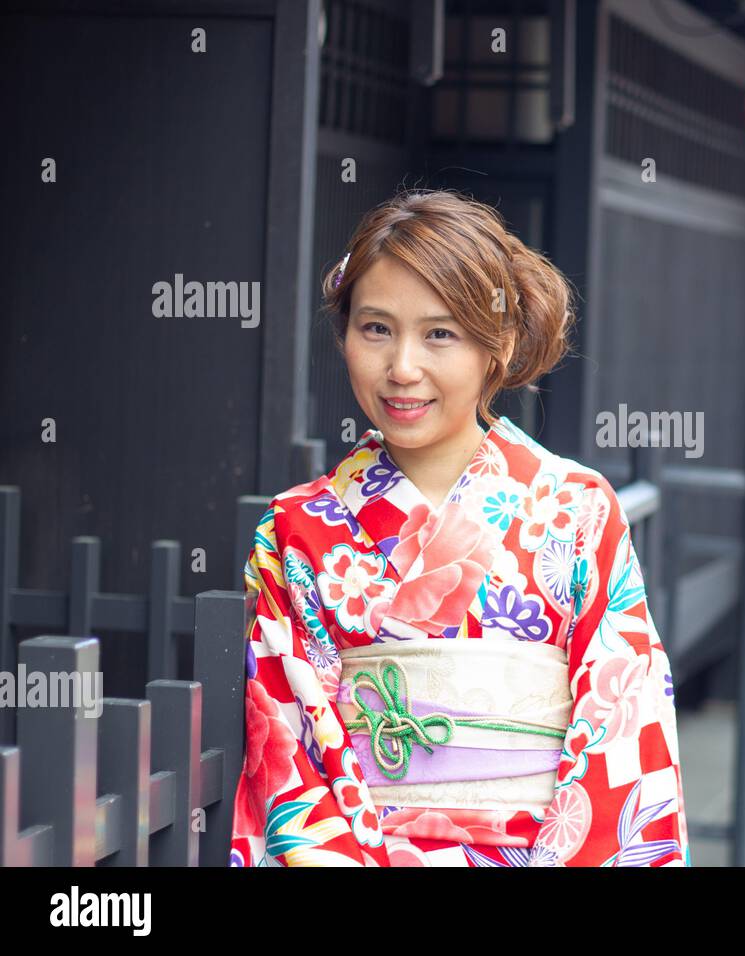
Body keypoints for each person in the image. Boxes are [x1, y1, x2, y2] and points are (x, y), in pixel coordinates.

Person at [230, 189, 690, 867]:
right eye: (376, 328)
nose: (403, 368)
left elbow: (624, 720)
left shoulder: (578, 509)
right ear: (345, 334)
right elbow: (290, 745)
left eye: (439, 333)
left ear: (498, 343)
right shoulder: (296, 529)